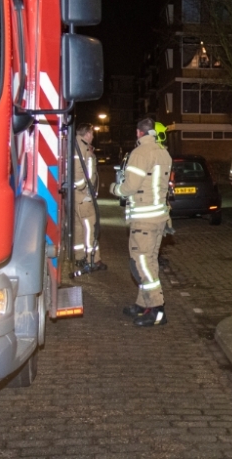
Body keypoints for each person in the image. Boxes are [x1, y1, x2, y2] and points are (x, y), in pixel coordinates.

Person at [110, 117, 172, 327]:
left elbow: (130, 187)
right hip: (159, 217)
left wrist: (115, 189)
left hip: (144, 218)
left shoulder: (140, 153)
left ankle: (157, 309)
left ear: (139, 133)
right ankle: (142, 303)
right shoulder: (164, 152)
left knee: (142, 263)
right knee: (149, 261)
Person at [72, 123, 106, 271]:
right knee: (90, 227)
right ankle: (93, 259)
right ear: (86, 134)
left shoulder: (76, 145)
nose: (93, 136)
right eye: (91, 133)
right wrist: (84, 189)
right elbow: (79, 173)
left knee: (79, 228)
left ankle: (79, 256)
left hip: (76, 198)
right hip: (83, 197)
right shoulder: (81, 148)